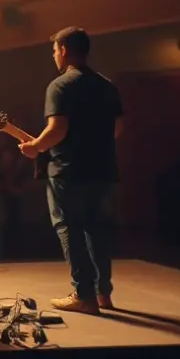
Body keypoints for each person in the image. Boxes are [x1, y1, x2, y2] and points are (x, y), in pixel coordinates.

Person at [18, 27, 123, 314]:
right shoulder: (107, 85)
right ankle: (103, 294)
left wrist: (36, 147)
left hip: (69, 172)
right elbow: (117, 129)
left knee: (69, 228)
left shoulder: (60, 86)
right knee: (97, 230)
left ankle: (83, 294)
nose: (54, 56)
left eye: (54, 50)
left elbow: (57, 129)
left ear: (64, 50)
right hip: (103, 171)